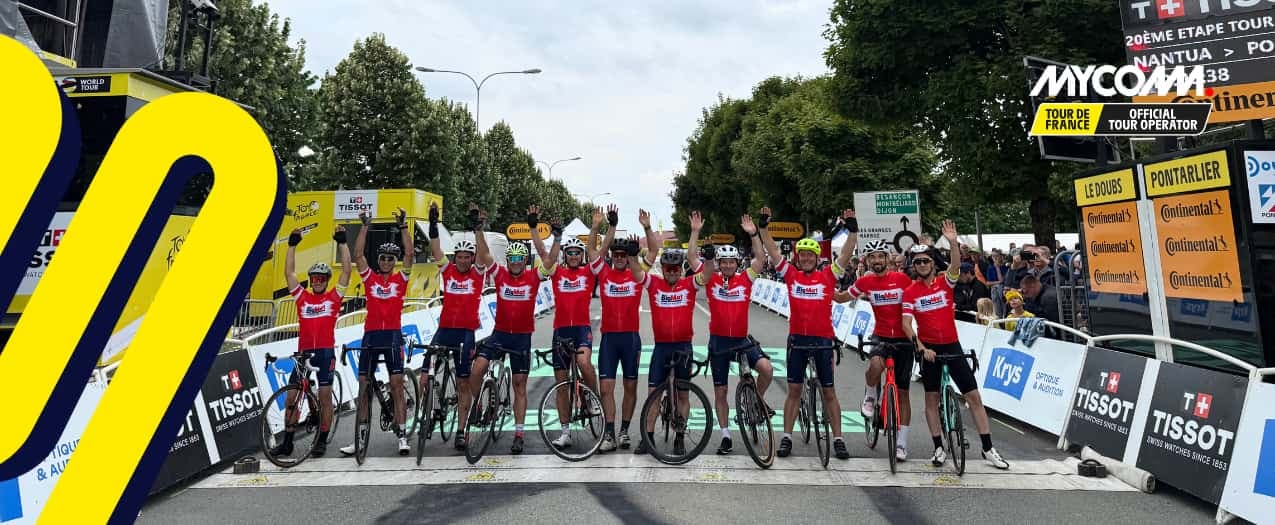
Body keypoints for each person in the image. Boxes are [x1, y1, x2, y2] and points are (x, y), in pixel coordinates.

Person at [901, 219, 1010, 470]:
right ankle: (938, 446)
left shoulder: (944, 282)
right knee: (931, 400)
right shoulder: (910, 292)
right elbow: (907, 324)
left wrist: (952, 241)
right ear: (914, 266)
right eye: (917, 262)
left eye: (926, 260)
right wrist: (920, 347)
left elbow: (955, 265)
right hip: (928, 349)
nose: (922, 265)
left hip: (952, 345)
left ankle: (988, 448)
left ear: (931, 262)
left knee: (973, 396)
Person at [760, 207, 857, 460]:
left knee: (829, 392)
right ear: (797, 258)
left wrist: (853, 230)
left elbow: (846, 256)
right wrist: (763, 228)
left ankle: (838, 439)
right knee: (793, 391)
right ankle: (787, 437)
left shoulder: (827, 276)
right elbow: (771, 250)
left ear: (817, 258)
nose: (805, 258)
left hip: (823, 340)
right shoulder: (791, 275)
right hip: (798, 341)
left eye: (809, 255)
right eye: (801, 255)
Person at [468, 206, 554, 455]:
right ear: (508, 261)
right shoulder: (501, 275)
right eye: (512, 260)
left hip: (521, 339)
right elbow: (483, 255)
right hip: (499, 334)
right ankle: (482, 408)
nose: (515, 263)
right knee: (477, 370)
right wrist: (479, 230)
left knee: (519, 385)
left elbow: (547, 259)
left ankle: (518, 433)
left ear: (524, 261)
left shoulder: (533, 277)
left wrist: (535, 229)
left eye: (519, 260)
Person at [273, 225, 351, 458]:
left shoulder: (333, 297)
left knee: (325, 396)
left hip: (325, 353)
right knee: (291, 398)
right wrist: (292, 246)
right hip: (303, 353)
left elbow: (346, 271)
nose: (317, 281)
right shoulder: (302, 297)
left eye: (321, 279)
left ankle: (322, 439)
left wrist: (343, 242)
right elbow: (289, 274)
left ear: (326, 281)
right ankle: (287, 442)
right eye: (314, 278)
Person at [342, 207, 414, 456]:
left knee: (396, 384)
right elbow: (358, 254)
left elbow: (410, 253)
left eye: (389, 259)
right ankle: (359, 440)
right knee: (363, 386)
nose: (385, 261)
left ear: (394, 263)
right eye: (382, 258)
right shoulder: (370, 278)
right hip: (371, 336)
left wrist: (403, 226)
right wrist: (364, 226)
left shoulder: (400, 280)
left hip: (392, 336)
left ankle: (403, 436)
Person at [701, 211, 774, 455]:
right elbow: (693, 261)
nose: (729, 265)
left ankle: (757, 401)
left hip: (742, 340)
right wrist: (695, 235)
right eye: (725, 262)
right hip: (720, 342)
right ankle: (725, 436)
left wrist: (754, 234)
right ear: (720, 264)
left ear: (736, 264)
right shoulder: (711, 281)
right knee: (720, 391)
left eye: (732, 261)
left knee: (766, 369)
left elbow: (761, 260)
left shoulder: (745, 279)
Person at [424, 203, 492, 452]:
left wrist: (478, 230)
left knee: (464, 383)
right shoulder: (448, 270)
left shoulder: (477, 274)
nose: (463, 260)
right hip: (444, 330)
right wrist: (432, 225)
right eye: (459, 257)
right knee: (424, 376)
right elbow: (435, 249)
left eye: (467, 257)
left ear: (471, 259)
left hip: (465, 333)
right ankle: (431, 407)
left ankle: (461, 430)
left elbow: (484, 255)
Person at [635, 219, 705, 456]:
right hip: (662, 347)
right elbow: (636, 273)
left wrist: (695, 232)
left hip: (683, 346)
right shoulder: (654, 284)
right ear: (663, 269)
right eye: (668, 269)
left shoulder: (689, 285)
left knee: (683, 394)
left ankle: (680, 437)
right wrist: (645, 233)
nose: (673, 272)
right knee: (653, 393)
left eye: (676, 269)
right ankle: (648, 437)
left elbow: (707, 273)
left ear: (680, 269)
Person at [590, 206, 655, 453]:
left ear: (627, 256)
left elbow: (654, 252)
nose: (618, 257)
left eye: (622, 254)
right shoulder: (604, 273)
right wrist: (607, 227)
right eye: (615, 254)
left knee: (630, 387)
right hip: (609, 339)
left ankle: (625, 431)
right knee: (606, 387)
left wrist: (647, 228)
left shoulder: (637, 275)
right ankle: (609, 433)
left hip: (630, 339)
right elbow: (593, 251)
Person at [849, 237, 917, 461]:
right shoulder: (866, 282)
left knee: (904, 393)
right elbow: (841, 297)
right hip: (880, 335)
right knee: (875, 365)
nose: (877, 260)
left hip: (903, 338)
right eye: (872, 257)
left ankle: (901, 443)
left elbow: (918, 297)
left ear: (887, 258)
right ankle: (870, 396)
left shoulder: (902, 278)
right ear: (867, 261)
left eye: (880, 256)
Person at [543, 211, 605, 452]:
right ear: (565, 256)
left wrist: (596, 227)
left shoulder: (588, 273)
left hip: (581, 330)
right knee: (562, 384)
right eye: (569, 253)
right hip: (560, 331)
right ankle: (565, 431)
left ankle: (591, 397)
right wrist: (556, 239)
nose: (573, 256)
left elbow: (597, 251)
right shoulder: (557, 273)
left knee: (584, 363)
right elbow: (546, 257)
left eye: (577, 253)